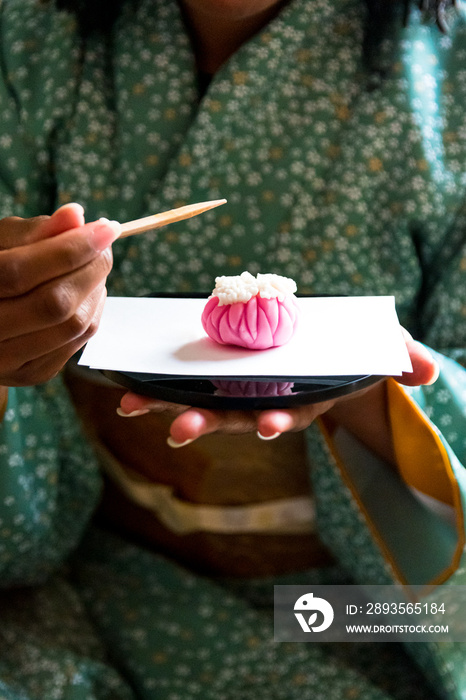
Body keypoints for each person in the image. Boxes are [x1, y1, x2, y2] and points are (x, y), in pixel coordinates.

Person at [0, 0, 465, 697]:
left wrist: (369, 386)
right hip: (88, 580)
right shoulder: (27, 36)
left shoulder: (447, 66)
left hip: (357, 610)